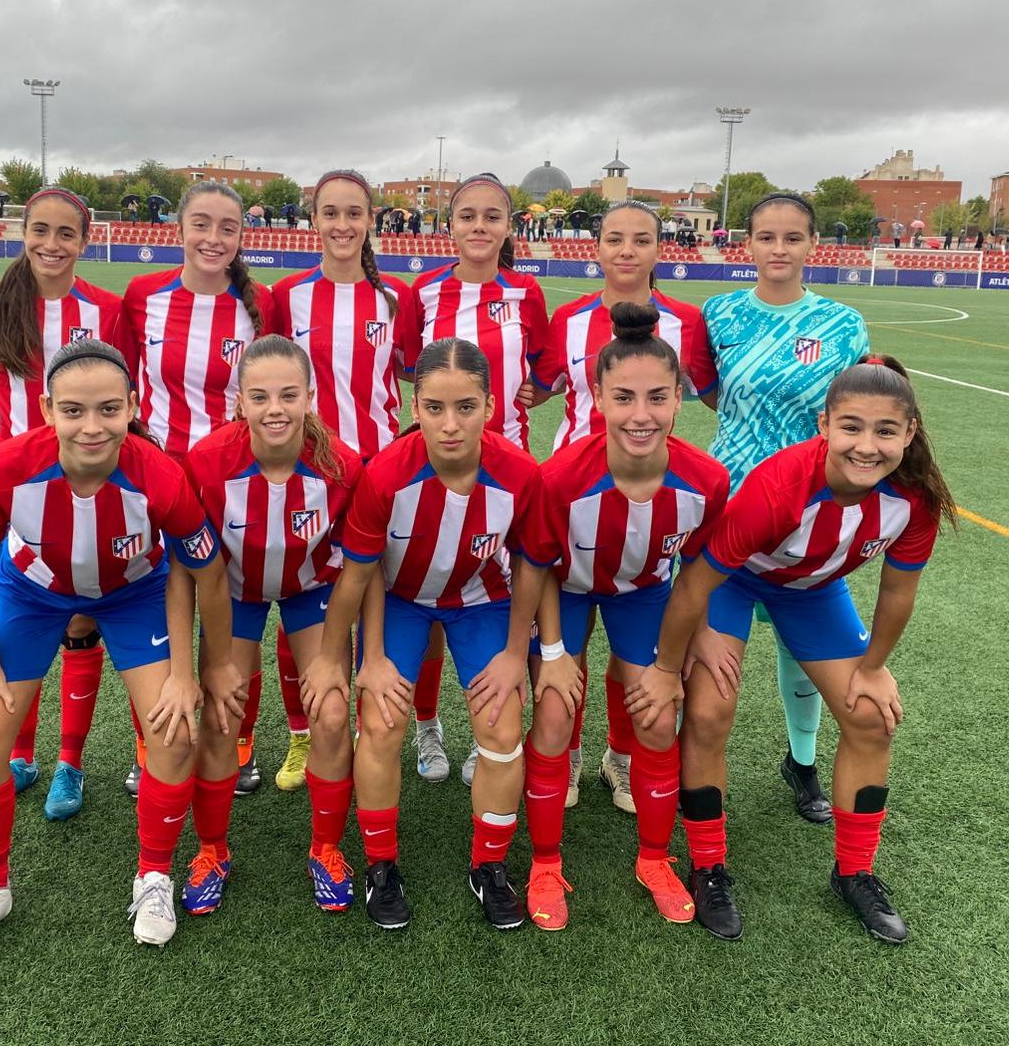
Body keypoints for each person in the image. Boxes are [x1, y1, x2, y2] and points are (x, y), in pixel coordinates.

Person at [629, 356, 954, 943]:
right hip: (732, 584)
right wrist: (666, 669)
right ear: (823, 424)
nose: (867, 446)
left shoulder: (915, 500)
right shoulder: (779, 487)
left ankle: (855, 872)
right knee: (707, 713)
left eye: (886, 431)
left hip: (812, 591)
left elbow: (899, 592)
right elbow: (695, 584)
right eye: (851, 427)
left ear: (910, 432)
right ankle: (708, 866)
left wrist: (874, 669)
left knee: (871, 719)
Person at [0, 340, 229, 960]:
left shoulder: (159, 475)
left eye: (108, 409)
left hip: (134, 595)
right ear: (47, 408)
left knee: (175, 731)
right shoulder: (7, 467)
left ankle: (154, 875)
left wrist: (190, 671)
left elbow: (203, 570)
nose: (92, 426)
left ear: (132, 405)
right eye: (73, 410)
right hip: (32, 591)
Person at [303, 338, 543, 931]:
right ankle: (381, 865)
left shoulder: (519, 475)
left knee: (502, 727)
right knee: (381, 722)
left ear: (490, 405)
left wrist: (518, 654)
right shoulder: (386, 475)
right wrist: (364, 657)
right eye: (435, 407)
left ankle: (488, 866)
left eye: (466, 406)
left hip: (481, 600)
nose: (450, 423)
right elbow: (361, 575)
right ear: (415, 406)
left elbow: (533, 564)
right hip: (401, 600)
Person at [519, 303, 729, 929]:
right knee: (555, 715)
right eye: (625, 397)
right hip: (568, 593)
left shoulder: (707, 481)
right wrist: (552, 655)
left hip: (644, 594)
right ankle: (546, 863)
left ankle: (655, 859)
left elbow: (696, 571)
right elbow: (537, 568)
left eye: (657, 398)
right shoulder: (559, 480)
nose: (641, 415)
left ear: (679, 400)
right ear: (598, 399)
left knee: (660, 717)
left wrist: (690, 647)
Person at [0, 186, 134, 822]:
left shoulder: (106, 310)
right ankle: (21, 755)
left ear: (85, 242)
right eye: (41, 231)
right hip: (10, 493)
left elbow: (117, 406)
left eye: (66, 234)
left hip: (83, 486)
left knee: (81, 621)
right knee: (19, 621)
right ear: (21, 233)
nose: (52, 245)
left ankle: (70, 763)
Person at [531, 200, 717, 812]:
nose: (627, 250)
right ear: (598, 248)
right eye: (615, 238)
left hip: (650, 496)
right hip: (577, 494)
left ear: (660, 249)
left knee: (633, 631)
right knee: (568, 643)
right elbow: (537, 387)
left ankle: (619, 753)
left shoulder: (687, 322)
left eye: (642, 239)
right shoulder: (568, 319)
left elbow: (717, 395)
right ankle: (570, 751)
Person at [701, 192, 870, 826]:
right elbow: (716, 395)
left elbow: (853, 412)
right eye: (766, 237)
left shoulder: (842, 323)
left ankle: (801, 763)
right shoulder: (718, 314)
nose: (778, 249)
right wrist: (757, 449)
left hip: (815, 507)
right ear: (747, 244)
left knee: (804, 647)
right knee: (715, 667)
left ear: (811, 244)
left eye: (792, 237)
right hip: (732, 503)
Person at [180, 336, 363, 915]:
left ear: (311, 396)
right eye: (260, 396)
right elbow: (189, 570)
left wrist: (337, 655)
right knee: (219, 711)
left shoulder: (342, 465)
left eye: (289, 394)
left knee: (332, 710)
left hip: (311, 591)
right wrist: (204, 661)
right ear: (239, 401)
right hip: (231, 591)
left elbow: (359, 567)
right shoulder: (207, 463)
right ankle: (211, 850)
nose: (275, 409)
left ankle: (326, 849)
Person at [123, 179, 276, 797]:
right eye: (202, 224)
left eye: (228, 228)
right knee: (159, 619)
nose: (213, 238)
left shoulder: (260, 303)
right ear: (179, 229)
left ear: (243, 237)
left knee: (233, 623)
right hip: (157, 484)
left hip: (235, 485)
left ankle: (237, 745)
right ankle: (149, 747)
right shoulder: (141, 296)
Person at [270, 169, 419, 790]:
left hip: (380, 470)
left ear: (371, 221)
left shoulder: (394, 299)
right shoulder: (287, 296)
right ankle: (306, 733)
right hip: (311, 472)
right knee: (301, 594)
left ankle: (392, 724)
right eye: (329, 213)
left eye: (353, 213)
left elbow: (415, 374)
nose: (341, 225)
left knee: (389, 590)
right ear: (313, 222)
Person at [409, 173, 549, 784]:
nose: (479, 227)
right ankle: (427, 726)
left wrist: (529, 395)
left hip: (506, 469)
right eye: (467, 216)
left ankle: (485, 731)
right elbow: (405, 371)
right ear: (450, 224)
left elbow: (544, 371)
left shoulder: (526, 293)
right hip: (435, 464)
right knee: (431, 590)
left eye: (492, 217)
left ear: (508, 228)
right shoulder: (422, 293)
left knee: (497, 590)